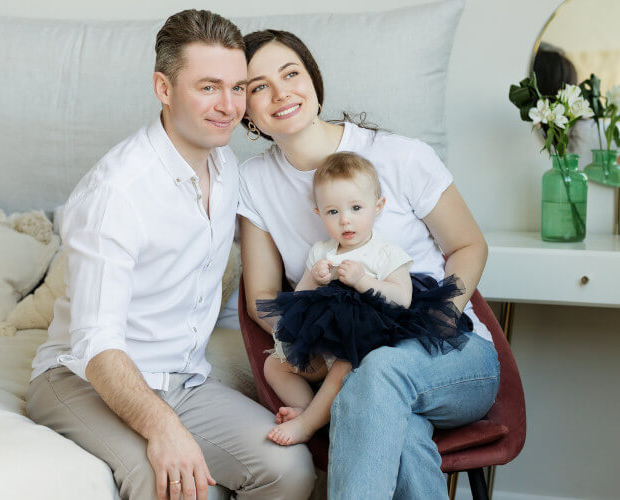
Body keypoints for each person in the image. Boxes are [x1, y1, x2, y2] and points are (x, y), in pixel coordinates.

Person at [26, 13, 315, 500]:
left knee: (291, 469)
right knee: (173, 485)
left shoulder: (226, 165)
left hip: (183, 380)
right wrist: (164, 429)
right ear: (164, 88)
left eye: (238, 88)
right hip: (83, 378)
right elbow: (97, 345)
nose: (228, 106)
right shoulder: (116, 193)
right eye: (208, 87)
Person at [238, 29, 500, 499]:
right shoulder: (254, 182)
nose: (280, 94)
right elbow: (262, 300)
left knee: (375, 374)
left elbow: (469, 245)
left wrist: (435, 319)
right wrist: (316, 343)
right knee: (394, 425)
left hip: (454, 355)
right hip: (353, 364)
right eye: (258, 86)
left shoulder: (400, 156)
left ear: (313, 80)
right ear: (246, 110)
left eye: (290, 73)